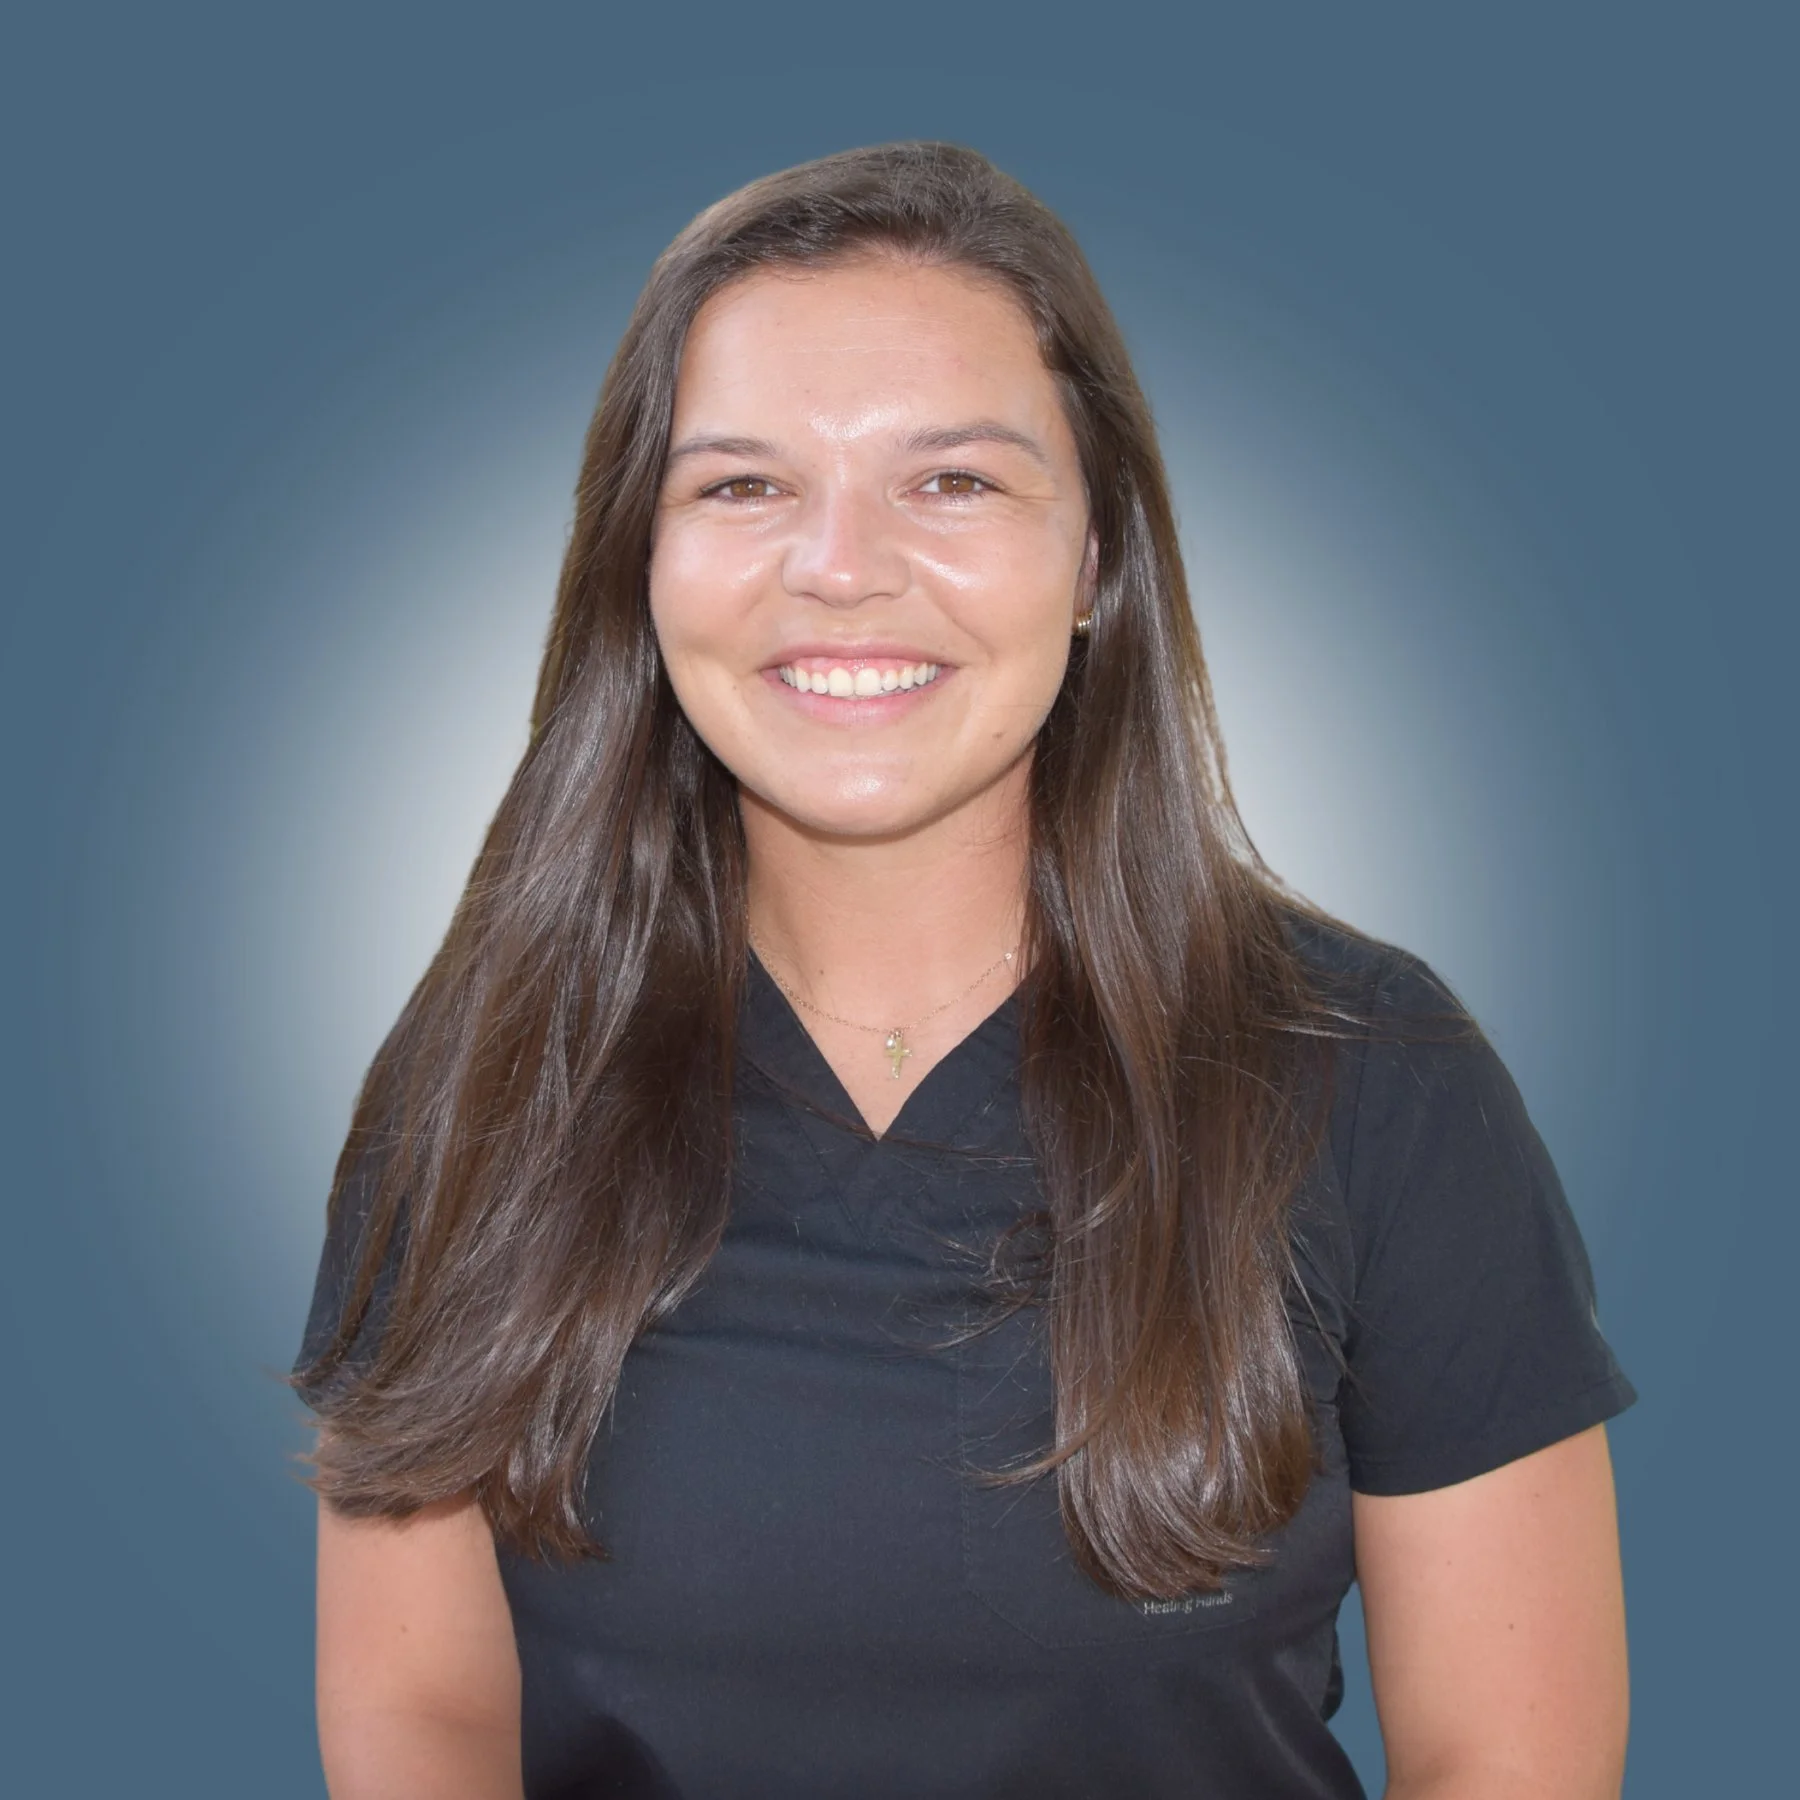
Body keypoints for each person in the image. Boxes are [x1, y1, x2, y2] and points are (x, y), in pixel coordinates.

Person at [292, 142, 1635, 1799]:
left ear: (1096, 562)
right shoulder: (486, 1078)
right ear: (642, 565)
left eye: (955, 482)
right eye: (742, 484)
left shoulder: (1372, 1070)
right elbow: (422, 1717)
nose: (839, 564)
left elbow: (1513, 1758)